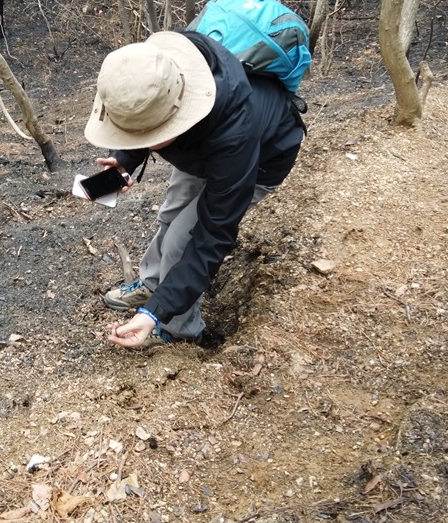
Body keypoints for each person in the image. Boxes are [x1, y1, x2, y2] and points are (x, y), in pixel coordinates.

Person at [84, 29, 305, 349]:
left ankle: (179, 328)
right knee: (170, 213)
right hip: (200, 149)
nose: (141, 141)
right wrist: (123, 160)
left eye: (147, 136)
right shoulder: (159, 70)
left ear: (176, 117)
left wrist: (153, 314)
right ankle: (153, 285)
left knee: (181, 240)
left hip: (259, 158)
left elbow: (213, 234)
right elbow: (140, 115)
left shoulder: (234, 132)